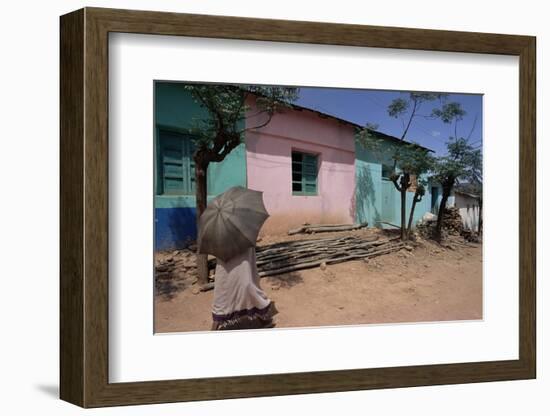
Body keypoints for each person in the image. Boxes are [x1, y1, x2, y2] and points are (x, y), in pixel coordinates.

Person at [211, 246, 278, 330]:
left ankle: (261, 317)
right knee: (226, 289)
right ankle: (216, 324)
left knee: (246, 284)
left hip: (241, 251)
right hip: (227, 253)